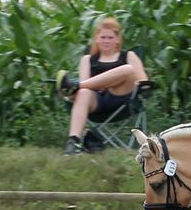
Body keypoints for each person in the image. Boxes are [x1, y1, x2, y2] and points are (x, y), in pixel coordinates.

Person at [59, 16, 148, 155]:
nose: (106, 41)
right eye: (103, 37)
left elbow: (144, 82)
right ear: (97, 39)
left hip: (121, 100)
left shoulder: (128, 56)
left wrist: (116, 81)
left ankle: (75, 85)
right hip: (97, 102)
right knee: (82, 92)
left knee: (128, 70)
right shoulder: (87, 60)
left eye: (110, 37)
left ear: (117, 39)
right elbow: (86, 91)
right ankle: (74, 141)